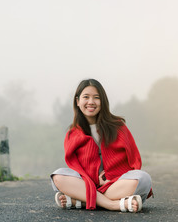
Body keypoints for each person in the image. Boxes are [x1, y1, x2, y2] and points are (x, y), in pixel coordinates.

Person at [50, 79, 153, 213]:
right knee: (58, 176)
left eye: (96, 98)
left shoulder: (118, 126)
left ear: (102, 101)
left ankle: (81, 201)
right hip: (87, 184)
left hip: (115, 185)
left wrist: (111, 180)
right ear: (77, 101)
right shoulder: (73, 134)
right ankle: (113, 204)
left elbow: (134, 161)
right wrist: (94, 182)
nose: (91, 102)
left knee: (143, 178)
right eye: (86, 97)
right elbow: (75, 168)